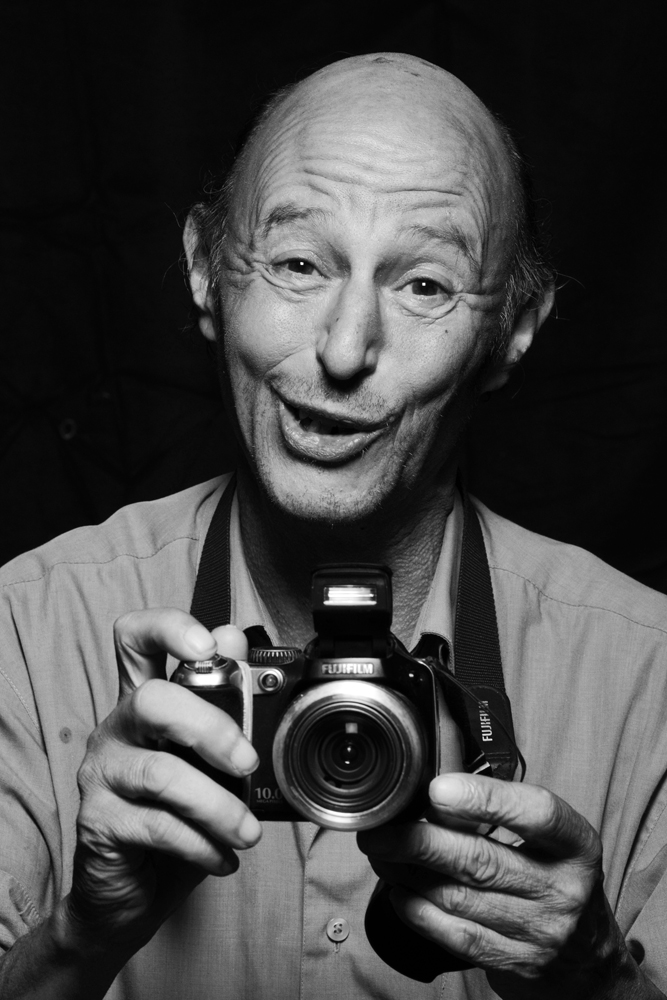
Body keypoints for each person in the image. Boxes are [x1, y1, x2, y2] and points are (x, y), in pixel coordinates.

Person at [1, 51, 666, 1000]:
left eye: (424, 285)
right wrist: (82, 935)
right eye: (298, 263)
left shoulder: (647, 677)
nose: (345, 349)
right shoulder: (26, 633)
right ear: (205, 269)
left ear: (513, 329)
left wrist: (593, 977)